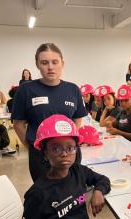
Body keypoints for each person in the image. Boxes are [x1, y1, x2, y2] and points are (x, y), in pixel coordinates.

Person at [12, 43, 87, 182]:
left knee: (73, 193)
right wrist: (33, 147)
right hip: (41, 157)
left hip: (70, 156)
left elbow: (77, 119)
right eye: (44, 62)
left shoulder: (73, 89)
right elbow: (18, 124)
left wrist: (70, 145)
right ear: (37, 65)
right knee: (46, 198)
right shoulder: (26, 90)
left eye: (55, 62)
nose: (50, 67)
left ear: (62, 63)